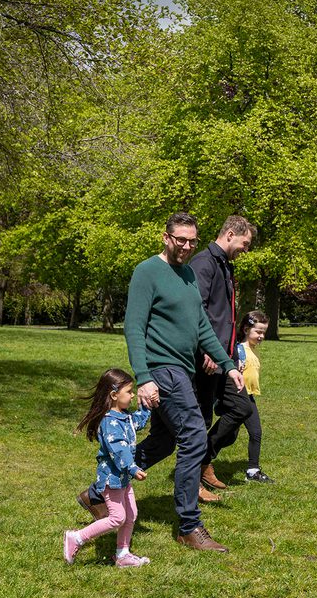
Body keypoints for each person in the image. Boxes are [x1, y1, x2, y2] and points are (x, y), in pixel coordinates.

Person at [77, 212, 244, 553]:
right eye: (180, 239)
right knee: (195, 436)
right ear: (166, 237)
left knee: (165, 441)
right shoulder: (147, 271)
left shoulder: (187, 277)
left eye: (191, 241)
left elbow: (201, 328)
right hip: (163, 369)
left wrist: (227, 365)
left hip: (182, 369)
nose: (186, 246)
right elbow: (134, 327)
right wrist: (144, 378)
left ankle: (97, 491)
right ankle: (188, 525)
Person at [191, 215, 255, 498]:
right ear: (230, 234)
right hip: (207, 360)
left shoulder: (224, 266)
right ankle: (194, 481)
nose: (246, 249)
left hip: (225, 359)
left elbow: (224, 317)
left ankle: (205, 459)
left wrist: (232, 354)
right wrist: (208, 350)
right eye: (245, 243)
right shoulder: (204, 263)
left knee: (241, 407)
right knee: (202, 419)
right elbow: (198, 310)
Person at [65, 368, 152, 568]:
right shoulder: (110, 423)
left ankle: (122, 554)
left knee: (131, 515)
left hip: (121, 479)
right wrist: (132, 468)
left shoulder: (124, 416)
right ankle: (76, 537)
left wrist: (146, 407)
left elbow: (136, 422)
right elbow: (118, 450)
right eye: (129, 392)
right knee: (117, 518)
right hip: (112, 479)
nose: (132, 395)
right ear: (114, 395)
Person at [206, 310, 274, 483]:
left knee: (255, 432)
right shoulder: (239, 349)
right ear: (245, 329)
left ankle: (252, 470)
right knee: (229, 436)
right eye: (258, 331)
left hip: (248, 395)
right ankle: (203, 456)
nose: (261, 336)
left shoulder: (253, 349)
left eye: (263, 332)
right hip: (238, 395)